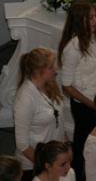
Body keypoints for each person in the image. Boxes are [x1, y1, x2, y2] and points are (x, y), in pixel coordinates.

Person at [58, 0, 96, 179]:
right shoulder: (72, 48)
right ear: (79, 21)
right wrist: (92, 105)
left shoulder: (94, 39)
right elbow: (67, 86)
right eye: (90, 18)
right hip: (84, 105)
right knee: (84, 144)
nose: (95, 21)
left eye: (95, 17)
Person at [14, 48, 66, 180]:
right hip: (34, 166)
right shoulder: (25, 98)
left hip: (54, 160)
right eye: (50, 67)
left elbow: (59, 119)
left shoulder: (51, 85)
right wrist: (44, 167)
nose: (55, 70)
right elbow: (22, 144)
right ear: (38, 71)